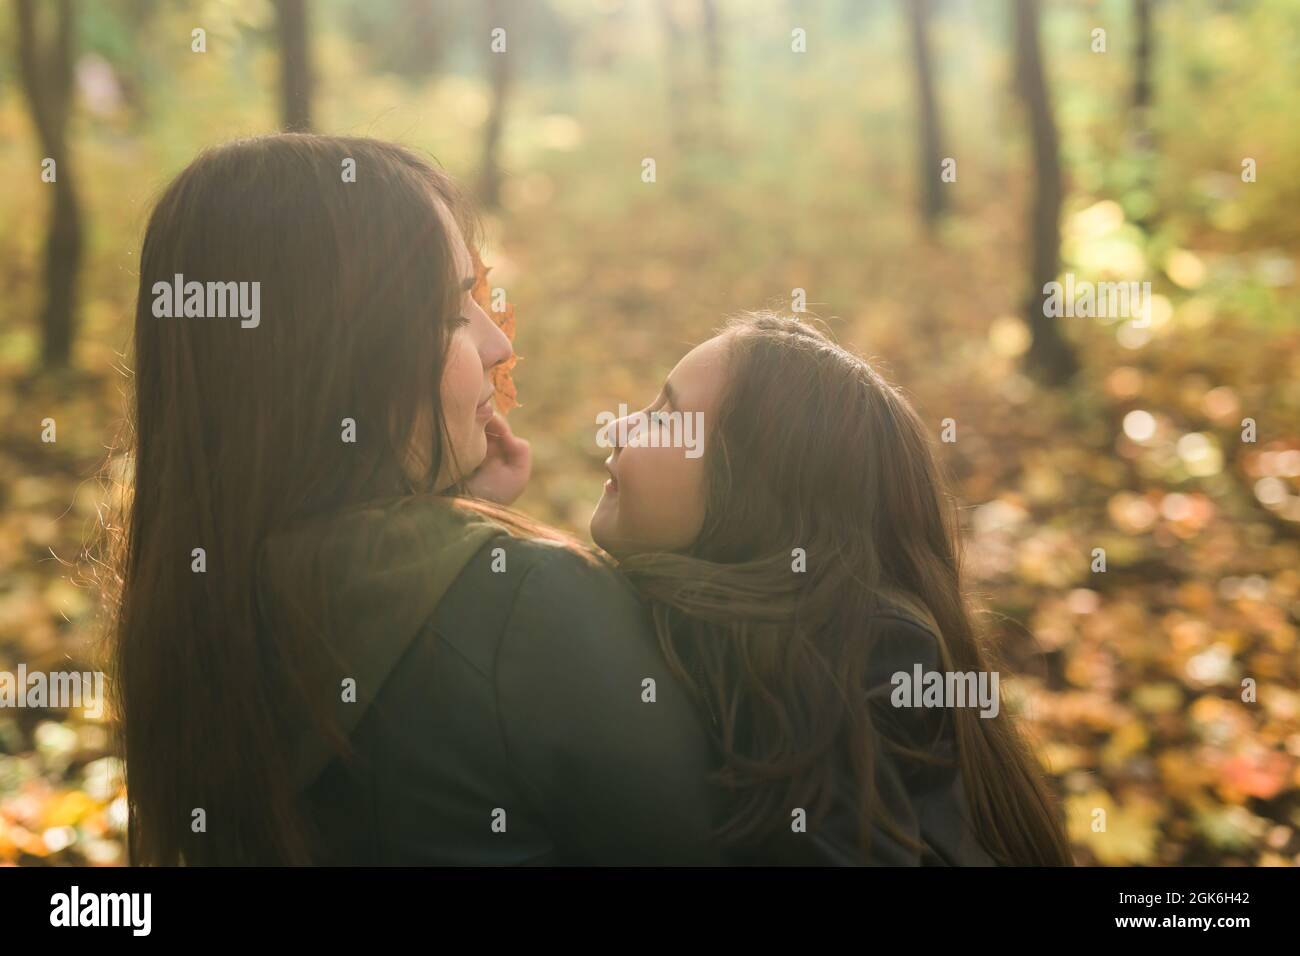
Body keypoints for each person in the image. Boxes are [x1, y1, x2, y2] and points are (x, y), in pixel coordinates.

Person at [104, 134, 723, 865]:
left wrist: (450, 511)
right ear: (337, 357)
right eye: (452, 316)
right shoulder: (530, 609)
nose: (499, 346)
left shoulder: (194, 601)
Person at [590, 313, 1074, 865]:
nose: (617, 429)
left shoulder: (850, 660)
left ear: (757, 487)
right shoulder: (747, 644)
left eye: (665, 418)